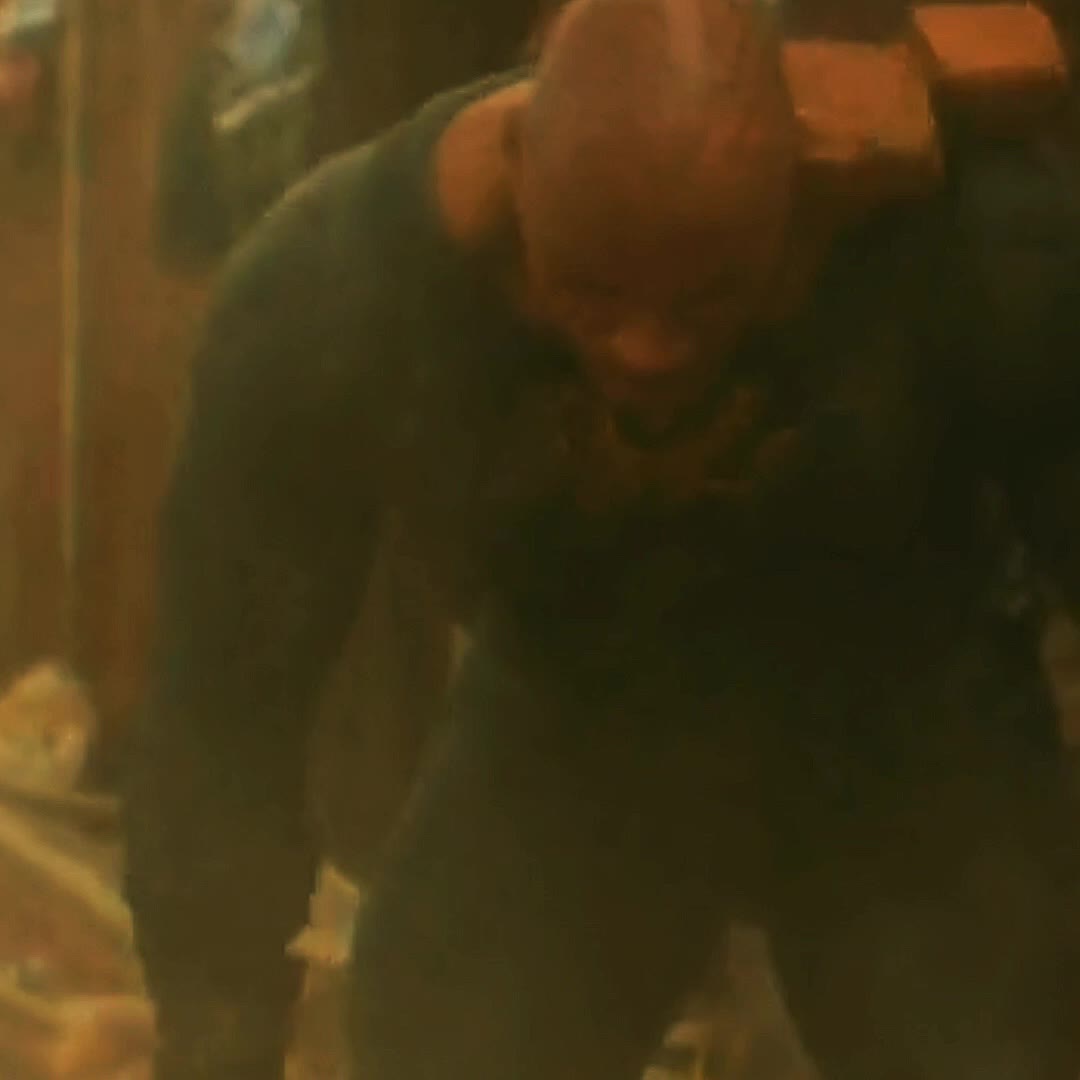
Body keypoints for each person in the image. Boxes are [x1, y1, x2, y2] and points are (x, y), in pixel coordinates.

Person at [123, 0, 1080, 1077]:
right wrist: (216, 1030)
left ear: (804, 193)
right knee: (441, 1039)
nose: (647, 354)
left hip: (910, 717)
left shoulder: (982, 245)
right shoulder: (331, 300)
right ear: (517, 179)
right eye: (591, 293)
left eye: (708, 299)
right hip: (574, 716)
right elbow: (225, 703)